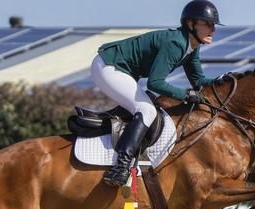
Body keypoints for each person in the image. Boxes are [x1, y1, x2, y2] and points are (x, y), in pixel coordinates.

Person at [91, 0, 221, 187]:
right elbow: (156, 83)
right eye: (208, 23)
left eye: (214, 24)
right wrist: (186, 95)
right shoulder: (176, 43)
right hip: (109, 66)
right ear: (191, 24)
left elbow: (199, 81)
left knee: (146, 108)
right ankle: (120, 168)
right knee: (147, 110)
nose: (213, 29)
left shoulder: (192, 46)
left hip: (123, 70)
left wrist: (226, 80)